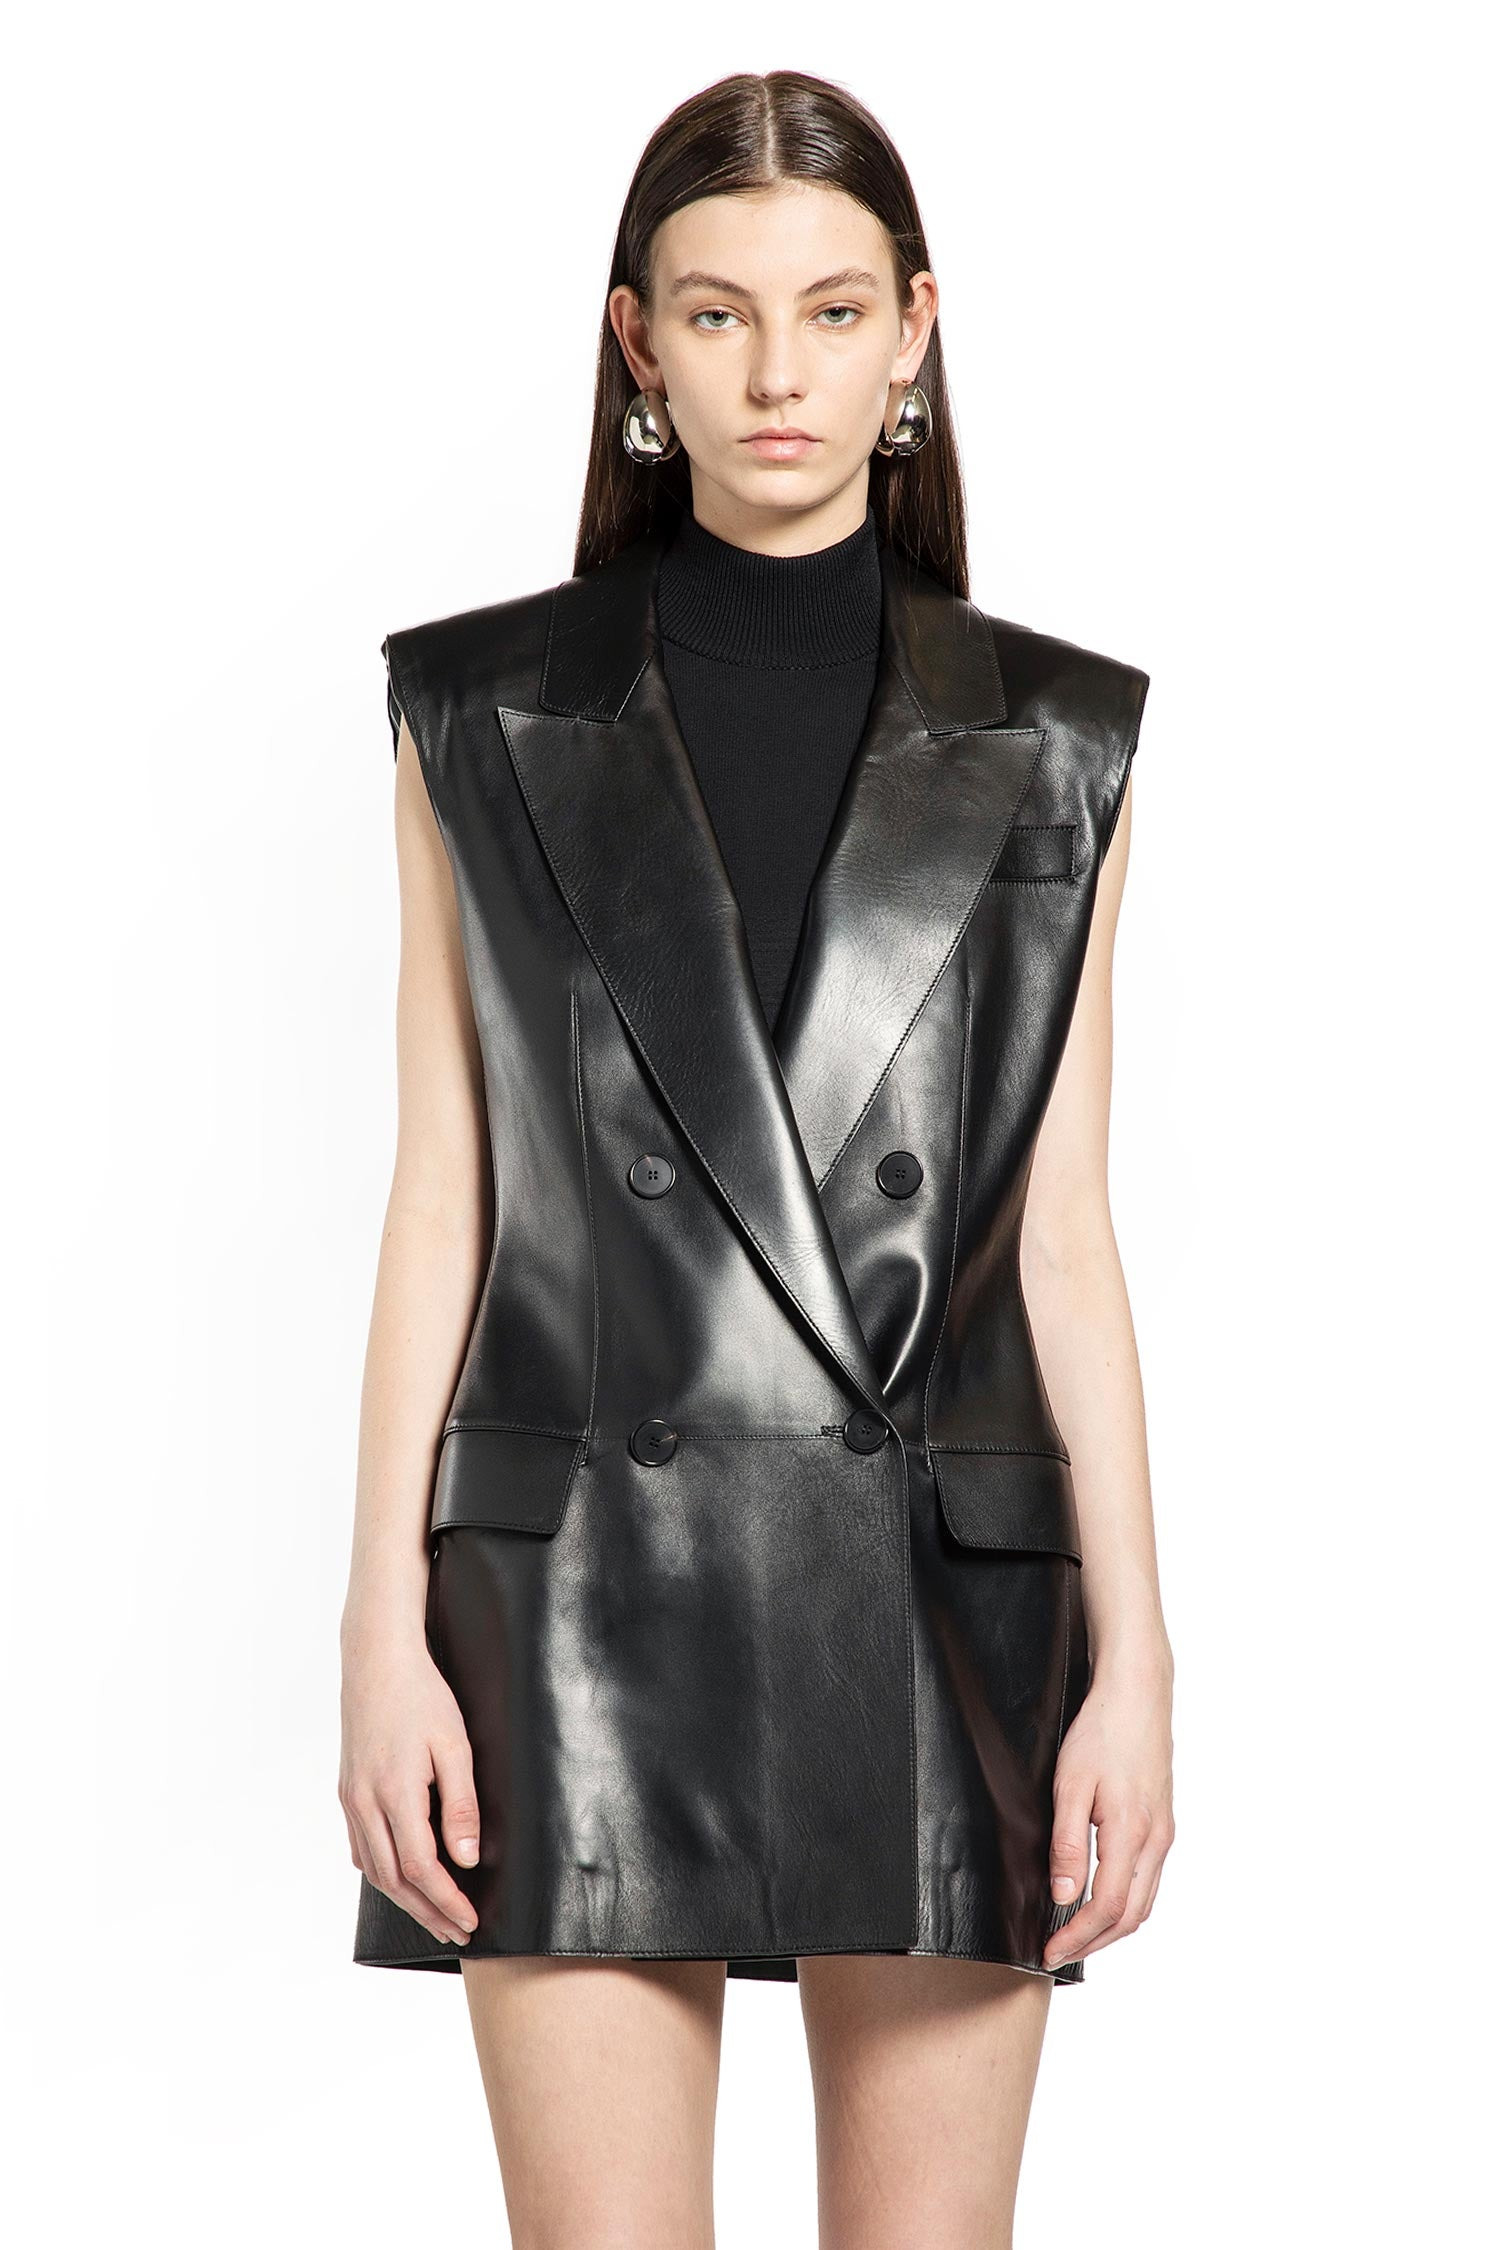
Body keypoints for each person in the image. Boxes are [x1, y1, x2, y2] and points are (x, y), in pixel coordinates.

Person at [340, 67, 1174, 2247]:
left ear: (915, 332)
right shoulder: (478, 713)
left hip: (937, 1596)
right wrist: (377, 1628)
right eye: (717, 314)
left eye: (830, 310)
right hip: (572, 1597)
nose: (776, 372)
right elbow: (443, 1195)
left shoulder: (1060, 739)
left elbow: (1064, 1243)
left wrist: (1141, 1665)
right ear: (639, 342)